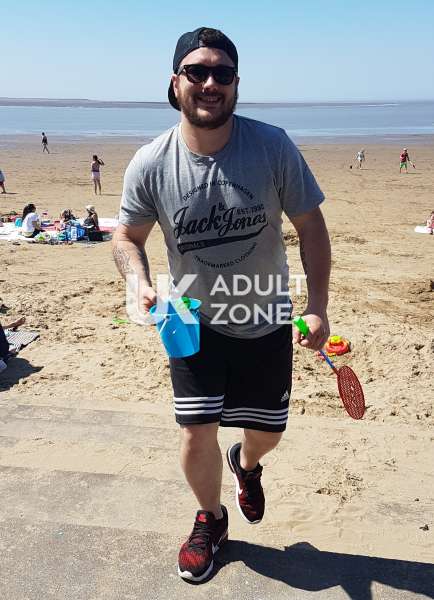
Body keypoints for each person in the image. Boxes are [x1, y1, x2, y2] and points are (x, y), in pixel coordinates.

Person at [113, 27, 331, 583]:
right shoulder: (151, 162)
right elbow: (127, 237)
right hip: (191, 320)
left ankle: (246, 464)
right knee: (195, 429)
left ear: (236, 83)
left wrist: (317, 306)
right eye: (197, 72)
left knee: (268, 432)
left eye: (222, 73)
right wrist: (138, 282)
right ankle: (210, 519)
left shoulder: (272, 147)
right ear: (175, 82)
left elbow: (311, 226)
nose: (210, 83)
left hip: (264, 315)